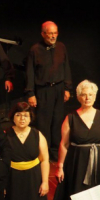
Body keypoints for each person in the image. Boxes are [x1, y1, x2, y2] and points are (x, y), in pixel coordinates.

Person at [3, 102, 52, 200]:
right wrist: (1, 184)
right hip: (13, 179)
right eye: (18, 115)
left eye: (25, 115)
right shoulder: (5, 135)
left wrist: (45, 182)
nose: (22, 118)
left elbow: (44, 160)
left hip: (33, 179)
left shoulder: (38, 135)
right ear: (13, 117)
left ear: (31, 117)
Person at [25, 21, 72, 160]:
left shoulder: (61, 47)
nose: (53, 36)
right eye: (50, 33)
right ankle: (43, 152)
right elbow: (30, 73)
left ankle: (54, 152)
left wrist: (67, 88)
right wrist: (30, 93)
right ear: (43, 34)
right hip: (43, 90)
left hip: (58, 89)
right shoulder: (35, 49)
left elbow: (66, 67)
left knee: (57, 121)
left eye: (55, 33)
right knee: (43, 123)